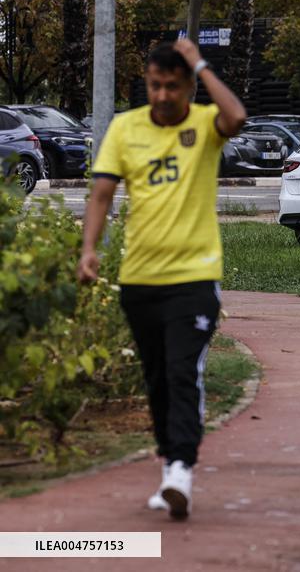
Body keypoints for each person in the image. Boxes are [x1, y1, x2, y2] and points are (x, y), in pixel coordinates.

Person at [77, 39, 246, 520]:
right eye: (155, 85)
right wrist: (89, 250)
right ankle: (170, 461)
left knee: (180, 371)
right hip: (140, 280)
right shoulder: (125, 129)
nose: (162, 95)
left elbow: (236, 117)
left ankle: (180, 471)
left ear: (189, 88)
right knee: (156, 379)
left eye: (173, 86)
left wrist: (201, 63)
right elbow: (101, 194)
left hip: (194, 277)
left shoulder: (203, 124)